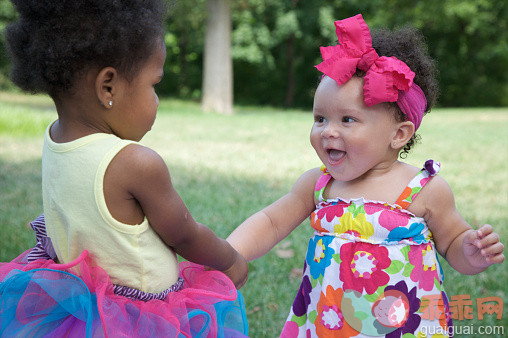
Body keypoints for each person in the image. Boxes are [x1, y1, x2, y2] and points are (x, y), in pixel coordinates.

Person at [227, 14, 504, 337]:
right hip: (328, 324)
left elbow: (454, 242)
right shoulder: (319, 185)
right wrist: (229, 252)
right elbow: (271, 222)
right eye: (320, 118)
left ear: (399, 134)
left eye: (347, 120)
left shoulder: (423, 190)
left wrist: (470, 251)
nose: (328, 131)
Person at [0, 1, 248, 337]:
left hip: (77, 307)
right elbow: (184, 234)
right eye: (154, 85)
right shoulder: (134, 162)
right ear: (108, 88)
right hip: (141, 317)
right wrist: (230, 259)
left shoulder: (54, 138)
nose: (157, 100)